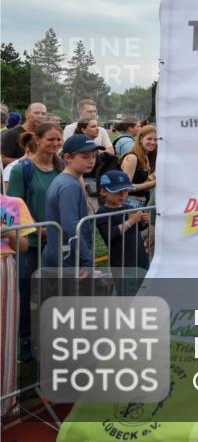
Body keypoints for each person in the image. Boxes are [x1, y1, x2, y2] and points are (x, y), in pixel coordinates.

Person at [6, 122, 62, 359]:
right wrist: (39, 230)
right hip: (30, 245)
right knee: (26, 293)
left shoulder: (61, 167)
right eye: (51, 139)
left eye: (59, 140)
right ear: (37, 140)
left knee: (52, 292)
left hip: (57, 243)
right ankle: (25, 342)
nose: (56, 144)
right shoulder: (22, 169)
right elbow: (12, 208)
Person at [43, 134, 98, 270]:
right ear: (68, 158)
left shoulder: (63, 180)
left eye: (93, 156)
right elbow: (71, 226)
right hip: (68, 256)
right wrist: (86, 259)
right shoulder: (70, 186)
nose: (91, 161)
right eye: (85, 157)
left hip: (60, 252)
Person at [1, 194, 34, 414]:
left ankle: (5, 402)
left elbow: (23, 246)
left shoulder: (13, 203)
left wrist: (8, 232)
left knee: (4, 335)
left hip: (4, 269)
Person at [95, 171, 150, 269]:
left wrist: (143, 222)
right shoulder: (103, 212)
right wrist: (131, 221)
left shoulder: (128, 207)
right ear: (103, 191)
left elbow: (136, 229)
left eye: (125, 191)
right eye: (117, 191)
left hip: (140, 258)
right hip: (122, 263)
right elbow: (109, 234)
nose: (122, 195)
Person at [120, 125, 157, 208]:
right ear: (140, 139)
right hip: (129, 203)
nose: (153, 142)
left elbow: (140, 182)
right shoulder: (132, 158)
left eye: (155, 140)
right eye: (149, 139)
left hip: (140, 203)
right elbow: (126, 187)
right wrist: (154, 182)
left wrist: (152, 176)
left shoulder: (146, 158)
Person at [1, 102, 47, 167]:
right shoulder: (12, 134)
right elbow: (2, 159)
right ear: (26, 114)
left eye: (43, 114)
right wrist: (25, 161)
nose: (40, 116)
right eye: (36, 113)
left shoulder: (45, 134)